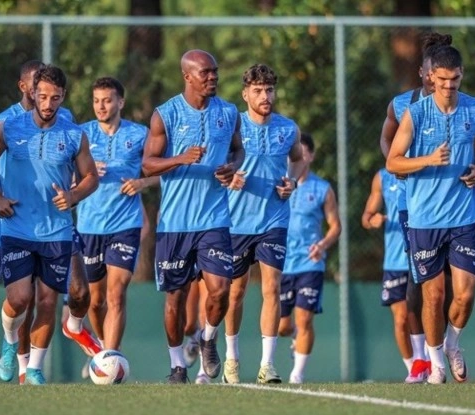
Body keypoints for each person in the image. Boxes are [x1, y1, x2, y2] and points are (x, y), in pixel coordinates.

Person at [0, 64, 99, 385]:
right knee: (19, 299)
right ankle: (9, 340)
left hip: (56, 231)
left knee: (48, 301)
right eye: (42, 96)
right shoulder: (10, 127)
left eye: (54, 97)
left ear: (63, 96)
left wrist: (73, 195)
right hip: (16, 227)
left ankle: (34, 369)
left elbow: (91, 177)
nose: (47, 104)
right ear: (32, 93)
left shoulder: (74, 134)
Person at [387, 45, 475, 384]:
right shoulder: (415, 113)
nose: (449, 86)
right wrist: (428, 160)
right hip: (424, 219)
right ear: (431, 77)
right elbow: (393, 162)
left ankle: (452, 344)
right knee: (433, 297)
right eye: (443, 79)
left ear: (462, 75)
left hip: (463, 216)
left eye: (455, 79)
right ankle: (436, 365)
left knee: (465, 293)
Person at [143, 49, 244, 384]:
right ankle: (177, 366)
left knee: (220, 290)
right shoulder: (165, 114)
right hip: (175, 224)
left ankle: (208, 338)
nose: (213, 77)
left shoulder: (228, 112)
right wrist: (180, 158)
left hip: (215, 219)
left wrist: (233, 167)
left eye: (215, 71)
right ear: (187, 76)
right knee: (175, 300)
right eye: (205, 72)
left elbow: (238, 149)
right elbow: (147, 165)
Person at [220, 64, 304, 384]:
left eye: (269, 90)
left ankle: (267, 365)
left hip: (274, 219)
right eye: (257, 90)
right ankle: (231, 358)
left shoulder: (288, 128)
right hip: (235, 222)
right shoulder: (233, 126)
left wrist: (291, 182)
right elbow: (215, 163)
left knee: (272, 287)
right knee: (235, 293)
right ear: (245, 95)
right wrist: (229, 177)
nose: (265, 96)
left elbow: (298, 159)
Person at [379, 32, 454, 383]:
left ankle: (447, 345)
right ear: (423, 71)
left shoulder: (460, 104)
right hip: (413, 205)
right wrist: (397, 166)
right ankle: (422, 360)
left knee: (451, 285)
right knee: (419, 280)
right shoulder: (402, 104)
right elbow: (386, 139)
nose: (432, 78)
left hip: (451, 204)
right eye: (428, 71)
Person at [78, 77, 153, 350]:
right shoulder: (81, 134)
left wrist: (143, 182)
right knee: (95, 301)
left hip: (125, 224)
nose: (101, 106)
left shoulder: (140, 134)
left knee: (116, 294)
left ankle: (111, 354)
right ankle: (103, 349)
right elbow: (63, 177)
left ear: (120, 102)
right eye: (96, 101)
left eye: (107, 100)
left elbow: (166, 170)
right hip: (89, 226)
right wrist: (84, 173)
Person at [277, 133, 340, 384]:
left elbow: (335, 226)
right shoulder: (279, 185)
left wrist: (322, 245)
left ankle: (297, 374)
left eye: (303, 154)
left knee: (304, 318)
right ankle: (294, 335)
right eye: (294, 155)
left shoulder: (322, 188)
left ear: (311, 156)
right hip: (282, 263)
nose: (298, 159)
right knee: (282, 326)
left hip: (310, 263)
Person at [362, 166, 412, 379]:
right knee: (401, 319)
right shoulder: (381, 177)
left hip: (422, 256)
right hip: (395, 262)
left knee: (426, 313)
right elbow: (366, 217)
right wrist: (371, 220)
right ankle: (413, 368)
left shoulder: (423, 166)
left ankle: (431, 361)